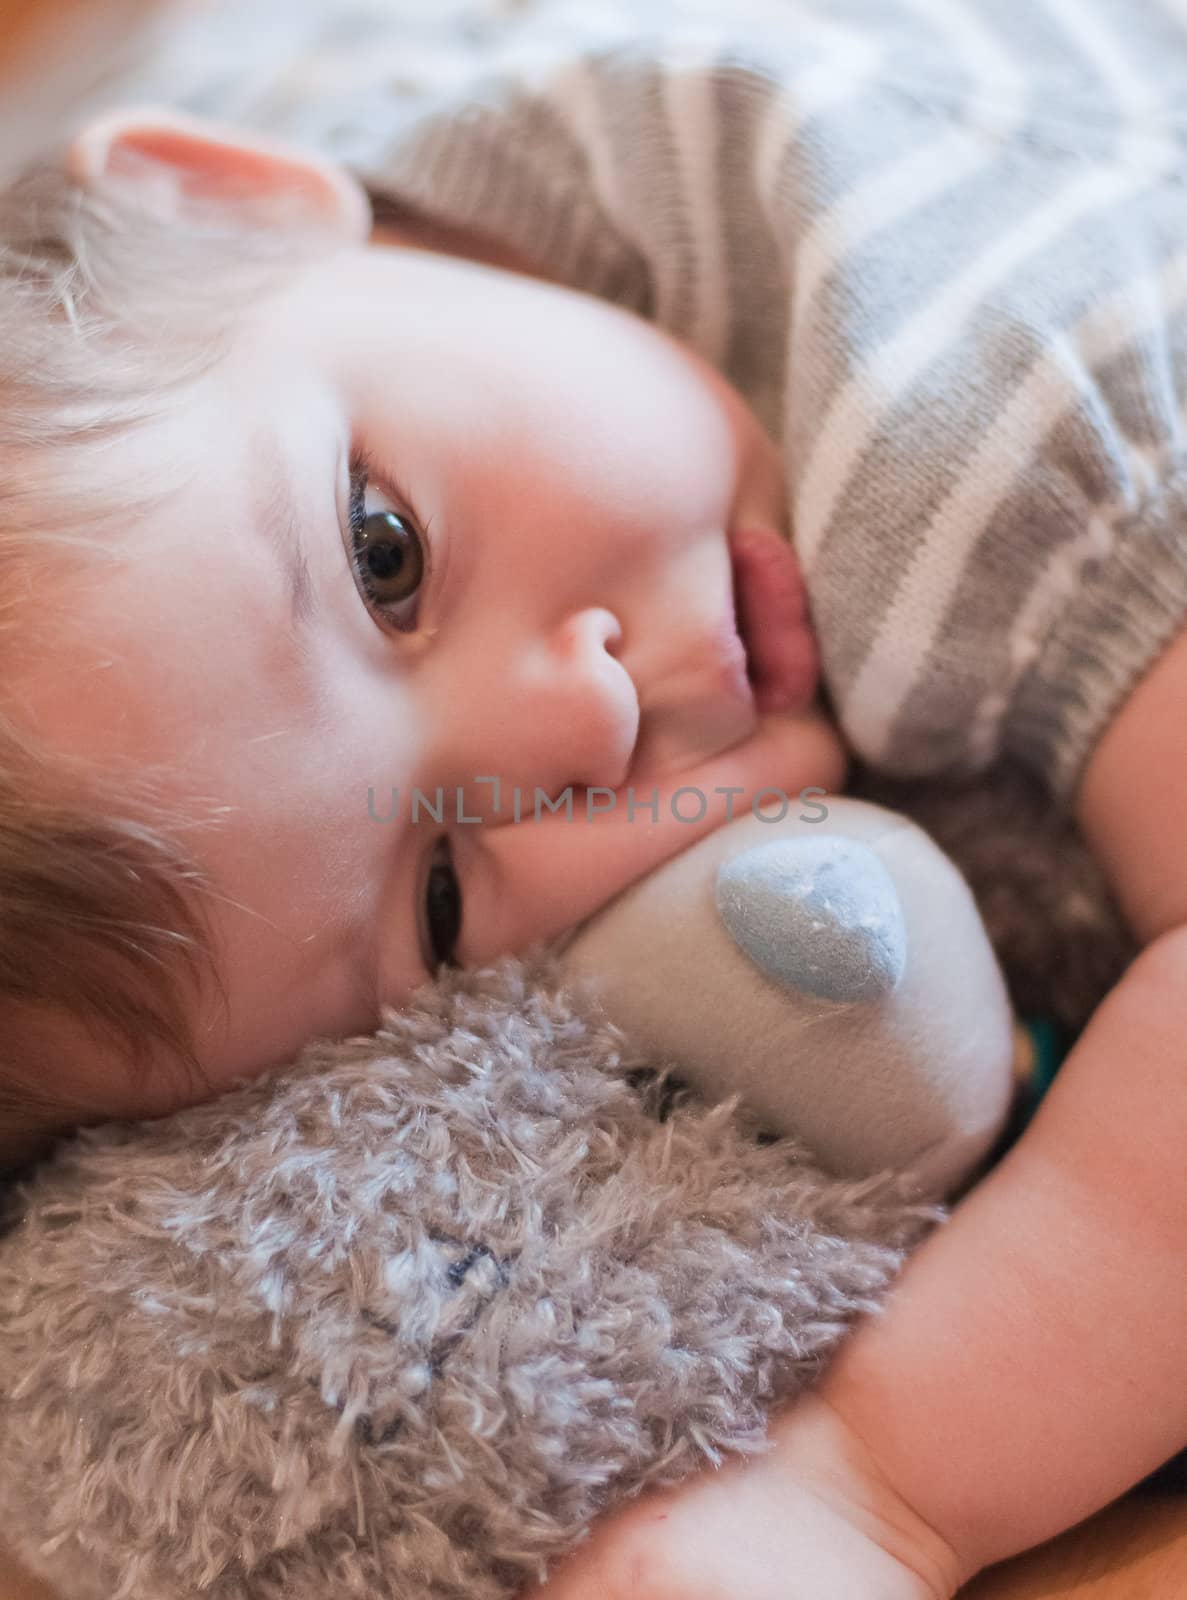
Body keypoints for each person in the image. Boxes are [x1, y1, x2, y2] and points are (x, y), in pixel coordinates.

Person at [1, 0, 1186, 1594]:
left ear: (230, 193)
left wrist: (883, 1481)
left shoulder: (975, 415)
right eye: (438, 894)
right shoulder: (251, 281)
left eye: (383, 556)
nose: (586, 720)